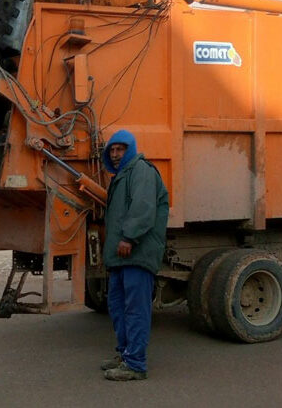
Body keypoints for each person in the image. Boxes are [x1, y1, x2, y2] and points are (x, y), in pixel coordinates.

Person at [99, 129, 169, 382]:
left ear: (131, 149)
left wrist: (129, 238)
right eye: (112, 150)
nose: (115, 154)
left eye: (120, 149)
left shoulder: (141, 170)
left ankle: (136, 364)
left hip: (136, 253)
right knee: (117, 306)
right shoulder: (122, 176)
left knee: (135, 309)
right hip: (121, 256)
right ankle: (125, 354)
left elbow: (143, 207)